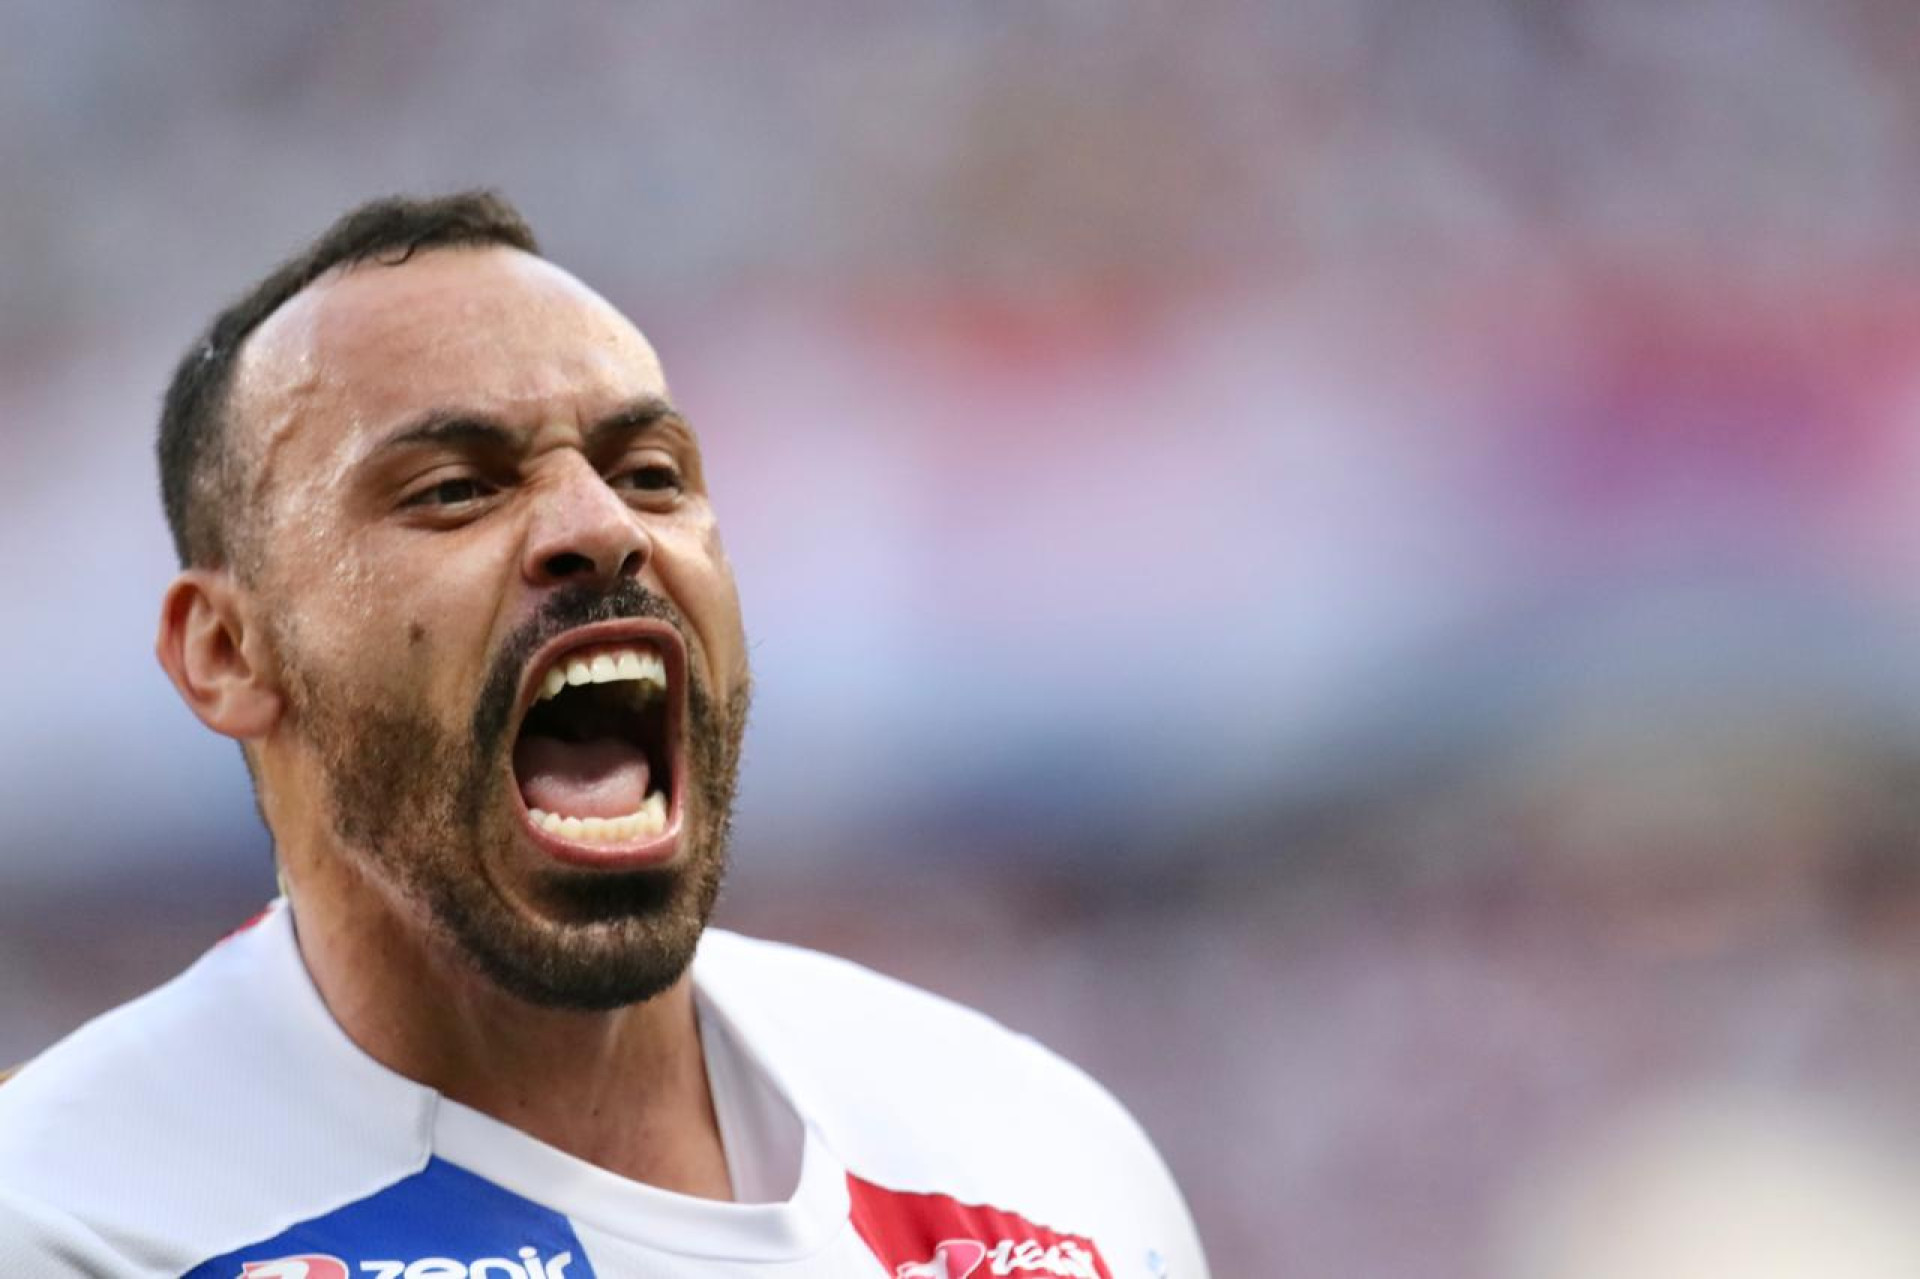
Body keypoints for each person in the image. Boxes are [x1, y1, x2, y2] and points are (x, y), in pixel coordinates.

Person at [0, 193, 1206, 1279]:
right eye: (455, 487)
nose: (601, 526)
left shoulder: (1043, 1163)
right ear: (226, 650)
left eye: (652, 471)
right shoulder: (80, 1219)